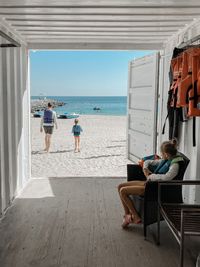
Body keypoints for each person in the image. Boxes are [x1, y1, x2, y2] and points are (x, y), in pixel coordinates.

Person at [118, 141, 184, 228]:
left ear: (166, 154)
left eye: (161, 153)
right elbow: (148, 161)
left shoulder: (175, 165)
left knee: (123, 191)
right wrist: (145, 169)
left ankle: (135, 216)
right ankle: (127, 215)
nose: (160, 155)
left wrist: (150, 176)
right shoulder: (166, 160)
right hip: (149, 183)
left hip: (154, 189)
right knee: (120, 186)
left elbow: (166, 178)